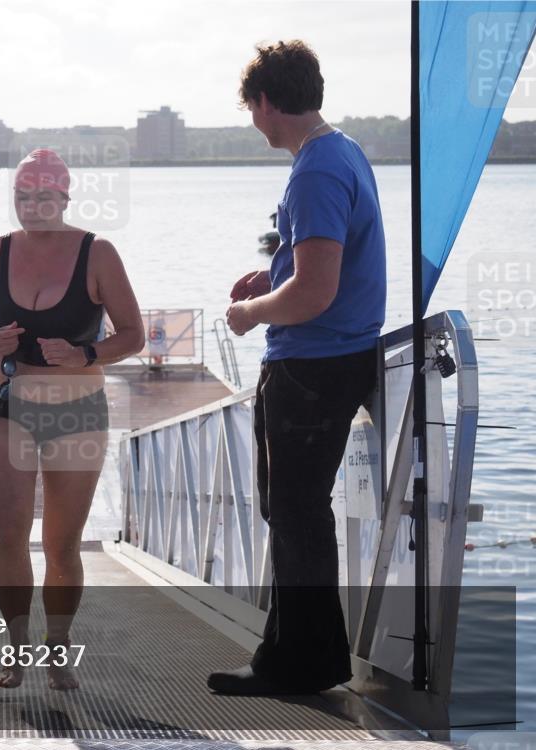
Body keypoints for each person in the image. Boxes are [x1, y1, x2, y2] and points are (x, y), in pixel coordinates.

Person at [210, 40, 386, 695]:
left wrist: (251, 311)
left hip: (312, 366)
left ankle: (301, 664)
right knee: (294, 513)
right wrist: (273, 274)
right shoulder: (343, 150)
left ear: (265, 101)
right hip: (334, 358)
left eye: (251, 109)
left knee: (296, 514)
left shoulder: (314, 170)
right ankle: (294, 655)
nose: (254, 122)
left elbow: (314, 294)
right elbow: (321, 266)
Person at [0, 148, 144, 690]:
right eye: (22, 196)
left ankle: (58, 647)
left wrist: (85, 354)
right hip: (6, 403)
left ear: (65, 199)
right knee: (7, 534)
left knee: (62, 544)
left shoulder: (97, 253)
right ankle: (16, 647)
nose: (32, 206)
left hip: (76, 408)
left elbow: (133, 335)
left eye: (44, 196)